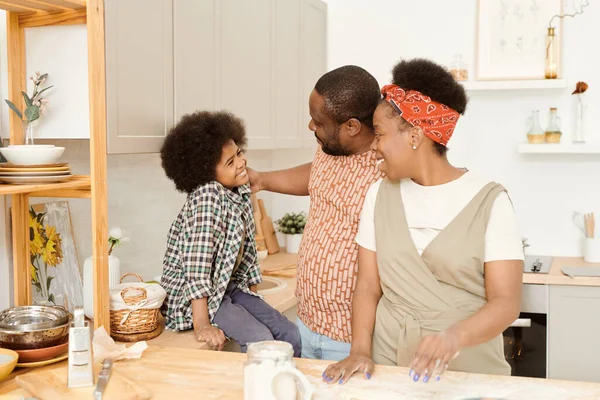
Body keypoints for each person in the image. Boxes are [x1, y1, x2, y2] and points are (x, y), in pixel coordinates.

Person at [323, 58, 524, 384]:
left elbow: (506, 303)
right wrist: (360, 349)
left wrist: (453, 338)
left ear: (415, 135)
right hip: (389, 365)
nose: (374, 146)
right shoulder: (378, 195)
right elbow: (367, 286)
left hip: (467, 370)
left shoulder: (491, 202)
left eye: (380, 134)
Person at [248, 65, 384, 361]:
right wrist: (262, 180)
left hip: (352, 342)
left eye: (318, 122)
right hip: (307, 325)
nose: (311, 126)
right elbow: (317, 175)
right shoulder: (330, 148)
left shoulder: (388, 166)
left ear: (351, 127)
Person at [159, 110, 301, 356]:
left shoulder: (239, 191)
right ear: (206, 172)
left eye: (239, 153)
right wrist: (202, 324)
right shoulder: (207, 197)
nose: (241, 162)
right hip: (195, 297)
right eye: (230, 162)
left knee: (291, 334)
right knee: (260, 340)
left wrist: (253, 302)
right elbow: (197, 266)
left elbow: (247, 254)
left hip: (228, 288)